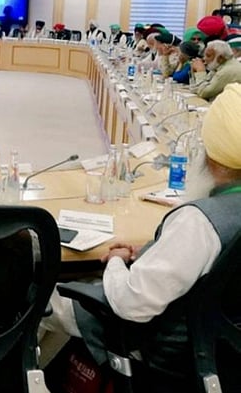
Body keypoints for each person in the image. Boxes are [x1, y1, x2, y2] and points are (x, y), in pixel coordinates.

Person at [40, 84, 241, 387]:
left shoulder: (199, 223)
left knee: (39, 298)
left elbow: (132, 303)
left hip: (158, 344)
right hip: (224, 350)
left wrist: (116, 262)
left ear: (210, 157)